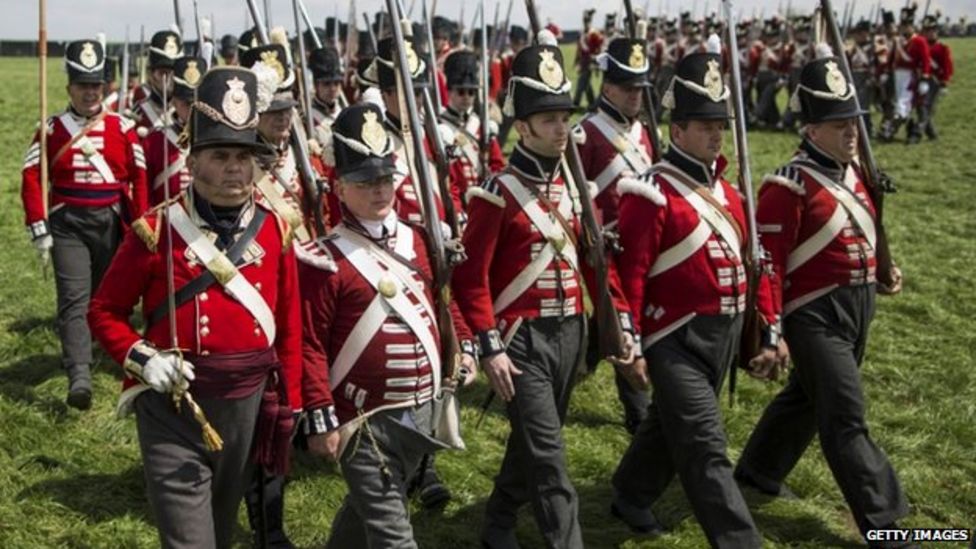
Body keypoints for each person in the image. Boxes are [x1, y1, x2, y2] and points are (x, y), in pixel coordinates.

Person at [87, 66, 302, 549]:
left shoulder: (275, 230)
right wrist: (144, 359)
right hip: (174, 406)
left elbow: (289, 327)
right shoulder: (155, 231)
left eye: (244, 157)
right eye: (220, 155)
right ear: (193, 158)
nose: (235, 168)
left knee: (220, 532)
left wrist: (291, 404)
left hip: (246, 403)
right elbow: (103, 311)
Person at [453, 38, 637, 549]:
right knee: (552, 458)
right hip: (521, 342)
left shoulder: (577, 189)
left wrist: (620, 321)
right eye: (550, 119)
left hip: (572, 334)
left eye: (564, 116)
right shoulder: (498, 192)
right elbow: (471, 279)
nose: (563, 128)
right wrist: (488, 344)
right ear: (522, 127)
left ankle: (497, 522)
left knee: (536, 441)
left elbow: (599, 265)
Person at [735, 51, 913, 548]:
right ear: (812, 130)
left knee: (807, 399)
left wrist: (882, 268)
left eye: (853, 120)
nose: (852, 131)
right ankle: (885, 521)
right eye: (839, 124)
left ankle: (757, 471)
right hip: (813, 316)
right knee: (845, 414)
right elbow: (766, 266)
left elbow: (866, 230)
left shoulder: (857, 171)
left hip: (857, 309)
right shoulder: (788, 185)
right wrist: (771, 330)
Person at [609, 51, 783, 548]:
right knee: (707, 448)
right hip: (673, 339)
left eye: (719, 125)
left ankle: (629, 491)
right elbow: (632, 276)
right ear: (677, 130)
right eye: (704, 126)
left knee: (670, 426)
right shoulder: (651, 191)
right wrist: (632, 343)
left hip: (723, 336)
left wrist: (770, 329)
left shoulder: (731, 194)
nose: (715, 135)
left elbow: (758, 267)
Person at [298, 103, 477, 548]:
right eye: (365, 182)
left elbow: (443, 303)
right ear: (339, 187)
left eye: (384, 180)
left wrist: (466, 347)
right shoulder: (323, 258)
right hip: (363, 419)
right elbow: (309, 344)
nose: (379, 191)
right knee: (394, 535)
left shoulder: (417, 239)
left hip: (421, 407)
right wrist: (321, 415)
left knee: (368, 512)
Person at [21, 39, 148, 410]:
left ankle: (107, 348)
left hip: (110, 220)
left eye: (96, 85)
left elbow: (138, 178)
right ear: (69, 89)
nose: (90, 93)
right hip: (67, 224)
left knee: (106, 297)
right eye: (82, 85)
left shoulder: (124, 128)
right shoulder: (50, 128)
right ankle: (79, 374)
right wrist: (38, 223)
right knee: (73, 300)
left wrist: (140, 223)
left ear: (105, 87)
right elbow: (31, 175)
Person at [576, 34, 658, 434]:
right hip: (607, 246)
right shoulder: (587, 133)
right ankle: (638, 411)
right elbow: (577, 192)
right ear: (607, 86)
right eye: (627, 87)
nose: (635, 95)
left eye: (640, 87)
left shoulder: (646, 132)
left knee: (618, 319)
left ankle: (578, 363)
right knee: (625, 323)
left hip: (645, 244)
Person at [439, 49, 506, 204]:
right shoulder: (440, 126)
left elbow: (497, 164)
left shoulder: (481, 125)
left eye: (471, 92)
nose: (467, 97)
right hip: (456, 201)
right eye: (461, 91)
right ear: (449, 91)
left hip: (484, 198)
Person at [143, 55, 205, 206]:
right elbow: (144, 190)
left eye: (198, 103)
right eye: (187, 103)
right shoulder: (155, 141)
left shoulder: (216, 139)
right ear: (174, 102)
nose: (193, 110)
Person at [880, 4, 931, 144]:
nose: (903, 28)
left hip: (910, 76)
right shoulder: (898, 40)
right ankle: (891, 129)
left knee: (905, 104)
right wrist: (886, 71)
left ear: (911, 26)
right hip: (897, 75)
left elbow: (925, 60)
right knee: (897, 102)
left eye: (906, 25)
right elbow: (891, 58)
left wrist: (925, 79)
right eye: (902, 25)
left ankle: (891, 130)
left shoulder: (919, 41)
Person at [132, 30, 183, 136]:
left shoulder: (188, 110)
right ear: (151, 74)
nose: (170, 78)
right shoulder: (139, 112)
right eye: (164, 73)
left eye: (175, 72)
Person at [919, 14, 953, 140]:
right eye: (927, 31)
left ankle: (921, 132)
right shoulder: (922, 46)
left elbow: (947, 66)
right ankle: (932, 133)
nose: (930, 33)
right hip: (922, 79)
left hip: (935, 80)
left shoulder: (942, 47)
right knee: (922, 106)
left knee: (928, 107)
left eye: (932, 30)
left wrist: (944, 82)